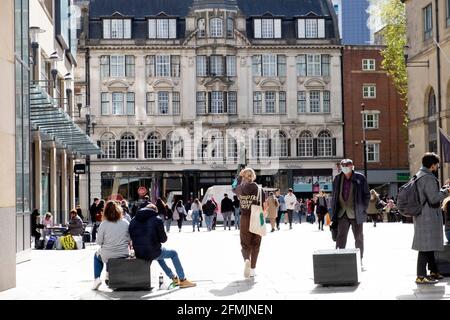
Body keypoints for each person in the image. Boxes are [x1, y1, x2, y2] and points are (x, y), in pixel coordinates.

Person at [129, 204, 196, 288]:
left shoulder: (133, 220)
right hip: (152, 252)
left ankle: (173, 278)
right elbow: (163, 239)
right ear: (154, 211)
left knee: (159, 256)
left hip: (139, 253)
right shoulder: (157, 219)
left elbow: (131, 236)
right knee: (173, 253)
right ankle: (182, 279)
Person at [412, 153, 450, 284]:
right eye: (437, 164)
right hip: (427, 216)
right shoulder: (427, 177)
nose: (437, 167)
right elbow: (433, 198)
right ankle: (421, 276)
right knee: (424, 247)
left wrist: (442, 189)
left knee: (429, 245)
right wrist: (446, 192)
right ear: (433, 165)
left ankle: (433, 271)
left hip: (423, 215)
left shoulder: (419, 175)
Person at [331, 159, 370, 263]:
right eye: (343, 165)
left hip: (356, 213)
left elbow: (367, 195)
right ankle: (339, 258)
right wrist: (334, 211)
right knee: (341, 236)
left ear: (352, 166)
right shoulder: (338, 178)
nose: (344, 167)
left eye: (346, 165)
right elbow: (334, 195)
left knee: (358, 237)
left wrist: (363, 209)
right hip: (342, 212)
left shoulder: (360, 177)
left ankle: (359, 259)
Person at [233, 167, 266, 278]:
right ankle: (252, 269)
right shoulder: (259, 189)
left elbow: (233, 187)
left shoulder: (239, 188)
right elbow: (263, 205)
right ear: (253, 177)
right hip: (257, 216)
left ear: (244, 177)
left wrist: (239, 177)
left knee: (245, 243)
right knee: (256, 244)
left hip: (245, 218)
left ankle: (247, 259)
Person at [92, 201, 130, 290]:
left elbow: (98, 242)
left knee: (96, 256)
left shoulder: (104, 224)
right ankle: (108, 275)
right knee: (110, 255)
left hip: (107, 254)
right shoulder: (125, 222)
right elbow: (130, 238)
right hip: (123, 253)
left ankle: (97, 279)